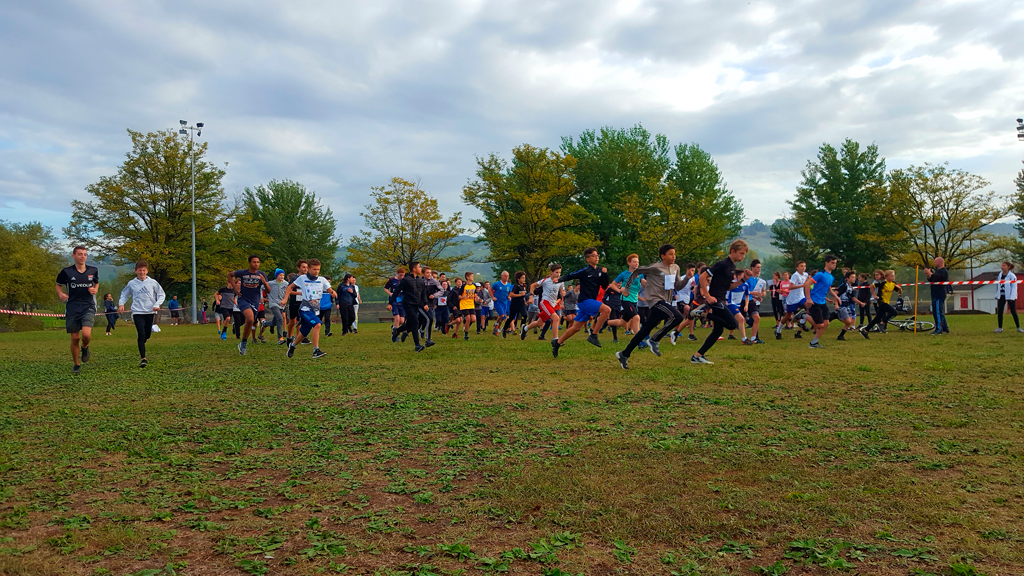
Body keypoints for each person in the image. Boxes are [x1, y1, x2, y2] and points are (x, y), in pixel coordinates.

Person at [615, 244, 687, 369]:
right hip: (655, 300)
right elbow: (636, 272)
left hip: (665, 300)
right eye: (670, 254)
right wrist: (626, 288)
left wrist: (688, 279)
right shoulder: (655, 267)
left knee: (644, 331)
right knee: (678, 317)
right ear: (663, 256)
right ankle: (654, 339)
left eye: (674, 254)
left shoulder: (675, 267)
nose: (674, 256)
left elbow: (677, 286)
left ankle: (624, 354)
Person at [691, 240, 749, 365]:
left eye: (744, 254)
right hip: (715, 299)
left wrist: (744, 279)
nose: (743, 256)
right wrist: (707, 296)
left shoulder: (732, 267)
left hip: (722, 299)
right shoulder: (722, 264)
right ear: (732, 251)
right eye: (741, 253)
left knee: (718, 331)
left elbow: (729, 287)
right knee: (733, 324)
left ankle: (697, 356)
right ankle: (703, 313)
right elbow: (702, 276)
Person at [551, 247, 611, 358]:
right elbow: (570, 275)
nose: (596, 257)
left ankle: (557, 342)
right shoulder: (585, 271)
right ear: (588, 259)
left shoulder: (599, 271)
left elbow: (604, 285)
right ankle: (593, 334)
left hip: (590, 301)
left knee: (576, 327)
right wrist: (558, 280)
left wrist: (605, 274)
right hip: (584, 301)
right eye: (593, 256)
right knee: (607, 310)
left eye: (597, 255)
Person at [55, 246, 99, 374]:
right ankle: (76, 364)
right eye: (80, 254)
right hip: (73, 307)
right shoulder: (67, 272)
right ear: (73, 256)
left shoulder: (93, 270)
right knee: (74, 338)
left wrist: (95, 289)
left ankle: (85, 347)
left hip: (88, 306)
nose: (83, 256)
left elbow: (96, 282)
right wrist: (60, 293)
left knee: (86, 334)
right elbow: (58, 285)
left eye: (85, 254)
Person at [282, 258, 334, 359]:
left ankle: (292, 346)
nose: (316, 271)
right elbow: (289, 287)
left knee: (305, 332)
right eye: (314, 269)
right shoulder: (302, 278)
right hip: (305, 309)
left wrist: (333, 292)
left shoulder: (322, 280)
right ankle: (316, 351)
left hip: (315, 310)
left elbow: (329, 289)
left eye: (318, 269)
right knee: (317, 324)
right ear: (309, 269)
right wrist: (285, 299)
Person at [118, 261, 165, 368]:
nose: (142, 272)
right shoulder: (132, 283)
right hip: (137, 312)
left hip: (150, 311)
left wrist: (157, 304)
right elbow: (125, 294)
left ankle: (142, 341)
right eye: (139, 270)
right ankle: (143, 358)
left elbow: (161, 294)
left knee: (147, 334)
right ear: (136, 271)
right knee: (141, 333)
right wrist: (121, 304)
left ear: (147, 271)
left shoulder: (153, 282)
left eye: (144, 270)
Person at [232, 256, 272, 354]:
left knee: (251, 321)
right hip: (243, 300)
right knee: (250, 319)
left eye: (258, 262)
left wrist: (265, 283)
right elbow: (230, 275)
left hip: (255, 302)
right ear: (249, 263)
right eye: (254, 262)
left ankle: (243, 342)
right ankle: (244, 343)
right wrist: (235, 288)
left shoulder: (261, 274)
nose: (256, 264)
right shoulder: (243, 273)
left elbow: (268, 291)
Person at [393, 262, 433, 351]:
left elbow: (423, 294)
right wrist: (390, 303)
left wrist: (426, 303)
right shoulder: (406, 280)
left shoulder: (421, 281)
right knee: (415, 323)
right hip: (408, 304)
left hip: (418, 304)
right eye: (419, 267)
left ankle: (397, 331)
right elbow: (397, 291)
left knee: (409, 325)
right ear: (414, 269)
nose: (420, 268)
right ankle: (417, 345)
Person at [522, 264, 565, 340]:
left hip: (552, 304)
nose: (558, 274)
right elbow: (533, 285)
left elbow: (562, 291)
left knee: (539, 323)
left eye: (559, 272)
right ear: (551, 272)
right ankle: (556, 340)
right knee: (556, 318)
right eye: (556, 272)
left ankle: (525, 328)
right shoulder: (546, 281)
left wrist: (563, 293)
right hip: (544, 302)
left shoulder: (560, 282)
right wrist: (531, 296)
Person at [804, 254, 838, 348]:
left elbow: (828, 289)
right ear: (826, 263)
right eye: (832, 263)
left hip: (822, 302)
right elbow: (807, 284)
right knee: (819, 325)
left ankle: (814, 343)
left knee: (826, 324)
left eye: (835, 263)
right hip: (815, 301)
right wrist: (808, 298)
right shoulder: (820, 274)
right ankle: (803, 315)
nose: (834, 265)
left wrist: (836, 297)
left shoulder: (831, 277)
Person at [607, 254, 643, 342]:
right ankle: (639, 341)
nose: (636, 264)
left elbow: (644, 283)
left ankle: (605, 323)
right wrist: (619, 290)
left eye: (637, 262)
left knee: (622, 322)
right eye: (634, 262)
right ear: (629, 263)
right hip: (626, 300)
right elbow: (612, 285)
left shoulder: (640, 274)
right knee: (636, 317)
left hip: (634, 300)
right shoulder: (623, 274)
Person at [860, 270, 901, 338]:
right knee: (894, 312)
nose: (893, 277)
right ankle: (883, 322)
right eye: (892, 276)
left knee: (876, 318)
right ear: (886, 277)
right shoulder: (883, 283)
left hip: (887, 302)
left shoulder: (893, 283)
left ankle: (865, 330)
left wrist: (900, 289)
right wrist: (874, 295)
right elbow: (871, 286)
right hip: (882, 302)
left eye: (894, 275)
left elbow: (899, 291)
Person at [775, 262, 809, 340]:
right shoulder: (795, 275)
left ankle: (802, 323)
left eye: (804, 266)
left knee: (808, 307)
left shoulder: (806, 274)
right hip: (792, 299)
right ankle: (778, 330)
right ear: (797, 267)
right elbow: (790, 287)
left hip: (801, 297)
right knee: (787, 316)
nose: (803, 268)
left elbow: (808, 282)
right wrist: (802, 285)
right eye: (801, 266)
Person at [923, 257, 951, 335]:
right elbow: (932, 279)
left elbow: (936, 278)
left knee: (938, 312)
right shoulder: (937, 272)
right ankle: (945, 327)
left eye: (935, 262)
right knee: (937, 311)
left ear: (939, 262)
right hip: (934, 294)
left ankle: (939, 329)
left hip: (939, 294)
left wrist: (929, 273)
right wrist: (928, 275)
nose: (934, 263)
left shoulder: (943, 272)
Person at [725, 268, 752, 344]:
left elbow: (747, 296)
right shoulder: (732, 284)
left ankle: (730, 334)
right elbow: (726, 293)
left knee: (738, 321)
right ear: (739, 276)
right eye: (743, 275)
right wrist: (725, 300)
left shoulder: (745, 285)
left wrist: (746, 305)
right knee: (741, 319)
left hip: (737, 305)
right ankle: (744, 339)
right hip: (730, 304)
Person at [285, 260, 309, 345]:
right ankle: (289, 336)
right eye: (303, 267)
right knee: (293, 321)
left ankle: (302, 337)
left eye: (307, 267)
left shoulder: (308, 278)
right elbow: (289, 291)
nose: (305, 269)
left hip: (304, 303)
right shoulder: (294, 278)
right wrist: (300, 293)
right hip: (294, 302)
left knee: (302, 319)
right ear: (298, 268)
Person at [993, 261, 1020, 333]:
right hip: (1001, 295)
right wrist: (997, 294)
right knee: (1000, 311)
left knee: (1013, 311)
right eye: (1002, 265)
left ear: (1008, 267)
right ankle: (999, 327)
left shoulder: (1012, 276)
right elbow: (998, 285)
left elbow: (1014, 287)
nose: (1002, 267)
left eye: (1004, 265)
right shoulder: (1000, 275)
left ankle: (1018, 327)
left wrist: (1012, 297)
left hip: (1009, 296)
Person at [834, 271, 862, 340]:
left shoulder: (850, 287)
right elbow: (835, 294)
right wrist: (836, 304)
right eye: (852, 277)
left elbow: (853, 298)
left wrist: (861, 303)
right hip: (842, 305)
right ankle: (835, 315)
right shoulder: (844, 286)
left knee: (849, 322)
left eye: (855, 277)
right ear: (847, 278)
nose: (854, 279)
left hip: (847, 305)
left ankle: (841, 336)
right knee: (848, 322)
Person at [745, 260, 767, 344]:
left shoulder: (759, 280)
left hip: (752, 301)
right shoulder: (748, 279)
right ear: (752, 268)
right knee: (741, 320)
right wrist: (755, 294)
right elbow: (745, 291)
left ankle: (754, 338)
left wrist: (758, 297)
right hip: (744, 301)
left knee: (756, 318)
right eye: (757, 267)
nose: (759, 269)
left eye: (760, 267)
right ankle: (744, 337)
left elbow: (762, 291)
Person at [501, 272, 529, 337]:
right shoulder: (516, 286)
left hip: (521, 304)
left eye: (524, 278)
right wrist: (520, 295)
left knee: (525, 315)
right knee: (511, 318)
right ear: (518, 279)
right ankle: (504, 329)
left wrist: (524, 298)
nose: (524, 279)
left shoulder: (524, 286)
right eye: (522, 278)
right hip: (515, 304)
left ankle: (522, 330)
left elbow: (524, 294)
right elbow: (511, 294)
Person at [266, 269, 289, 344]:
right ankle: (280, 338)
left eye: (283, 275)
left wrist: (286, 300)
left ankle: (265, 324)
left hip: (281, 305)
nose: (282, 276)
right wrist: (261, 298)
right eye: (280, 275)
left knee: (274, 322)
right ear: (276, 276)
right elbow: (261, 288)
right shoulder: (271, 283)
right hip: (273, 304)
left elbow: (288, 292)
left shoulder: (286, 284)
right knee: (280, 318)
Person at [384, 267, 406, 334]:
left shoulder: (404, 281)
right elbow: (385, 288)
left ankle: (394, 327)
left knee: (402, 321)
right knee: (397, 318)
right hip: (394, 301)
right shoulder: (392, 280)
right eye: (400, 275)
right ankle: (395, 334)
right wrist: (390, 294)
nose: (402, 277)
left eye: (403, 275)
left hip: (402, 301)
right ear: (397, 273)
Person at [491, 271, 512, 336]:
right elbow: (490, 289)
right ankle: (496, 324)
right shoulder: (497, 284)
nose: (506, 277)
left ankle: (496, 329)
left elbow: (510, 292)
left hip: (505, 302)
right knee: (502, 315)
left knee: (503, 317)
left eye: (507, 276)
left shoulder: (509, 285)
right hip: (498, 302)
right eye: (505, 276)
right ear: (502, 276)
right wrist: (493, 297)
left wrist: (509, 296)